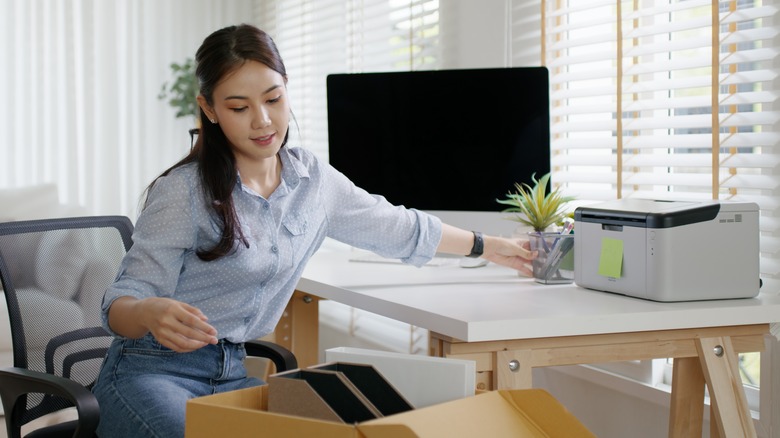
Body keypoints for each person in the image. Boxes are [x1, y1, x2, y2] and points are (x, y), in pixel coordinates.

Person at [91, 23, 536, 438]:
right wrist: (148, 311)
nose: (263, 120)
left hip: (232, 373)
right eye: (239, 107)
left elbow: (398, 226)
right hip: (150, 372)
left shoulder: (315, 183)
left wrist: (488, 246)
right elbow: (119, 302)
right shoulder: (183, 193)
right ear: (209, 109)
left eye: (273, 98)